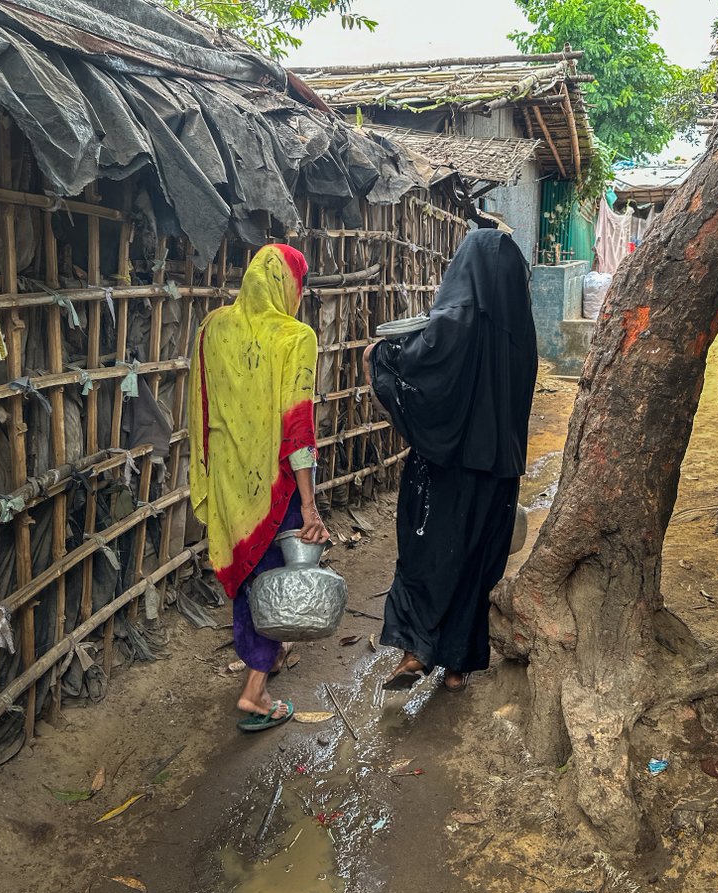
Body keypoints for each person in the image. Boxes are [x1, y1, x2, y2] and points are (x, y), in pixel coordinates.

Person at [365, 228, 537, 693]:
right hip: (500, 471)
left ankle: (416, 650)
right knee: (477, 564)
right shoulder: (521, 328)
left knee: (428, 556)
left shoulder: (454, 319)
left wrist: (380, 356)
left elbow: (421, 370)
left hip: (445, 469)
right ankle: (457, 668)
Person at [188, 244, 329, 732]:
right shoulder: (296, 337)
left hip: (227, 478)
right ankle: (255, 691)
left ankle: (261, 660)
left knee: (250, 575)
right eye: (301, 285)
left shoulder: (211, 328)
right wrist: (309, 506)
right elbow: (297, 429)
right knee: (273, 578)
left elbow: (203, 406)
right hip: (273, 482)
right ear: (288, 286)